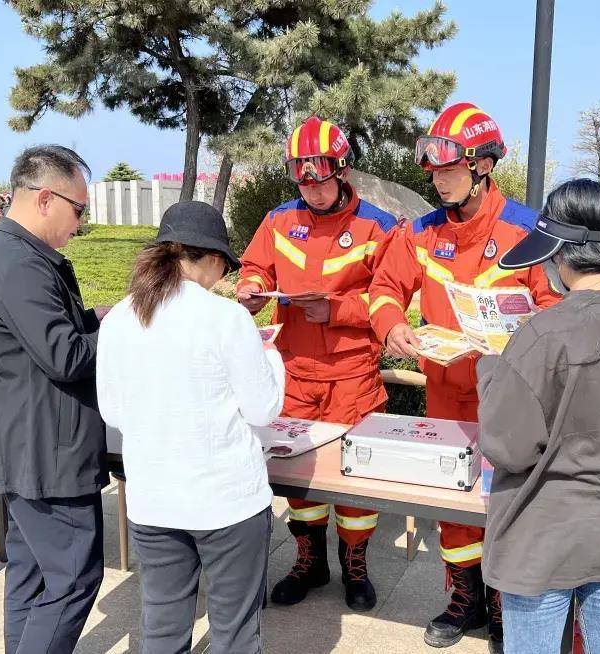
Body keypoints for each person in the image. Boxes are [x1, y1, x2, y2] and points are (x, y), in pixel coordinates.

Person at [368, 102, 562, 652]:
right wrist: (391, 325)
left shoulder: (527, 230)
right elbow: (385, 287)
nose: (439, 181)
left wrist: (519, 339)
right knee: (453, 498)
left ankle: (502, 600)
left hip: (512, 397)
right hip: (446, 392)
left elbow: (556, 308)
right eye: (433, 171)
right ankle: (464, 597)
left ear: (483, 166)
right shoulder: (420, 232)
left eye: (450, 170)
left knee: (505, 499)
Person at [477, 179, 600, 654]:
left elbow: (507, 447)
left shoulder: (543, 334)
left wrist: (491, 369)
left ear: (560, 253)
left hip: (543, 536)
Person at [97, 201, 286, 654]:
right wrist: (273, 361)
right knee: (235, 633)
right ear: (214, 259)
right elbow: (262, 410)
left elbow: (113, 412)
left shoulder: (121, 317)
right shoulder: (226, 317)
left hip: (153, 500)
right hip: (227, 503)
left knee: (162, 630)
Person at [236, 116, 398, 611]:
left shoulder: (378, 225)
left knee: (355, 478)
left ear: (342, 170)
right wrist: (251, 288)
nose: (312, 188)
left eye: (320, 178)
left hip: (352, 374)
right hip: (295, 371)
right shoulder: (278, 220)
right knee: (299, 478)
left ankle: (355, 567)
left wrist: (337, 310)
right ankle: (310, 561)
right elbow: (256, 266)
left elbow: (390, 299)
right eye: (302, 179)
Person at [0, 145, 107, 654]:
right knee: (74, 578)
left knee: (32, 573)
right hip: (44, 453)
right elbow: (65, 356)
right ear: (45, 199)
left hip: (25, 445)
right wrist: (122, 335)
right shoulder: (19, 262)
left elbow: (43, 334)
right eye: (78, 209)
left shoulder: (16, 252)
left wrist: (95, 319)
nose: (80, 224)